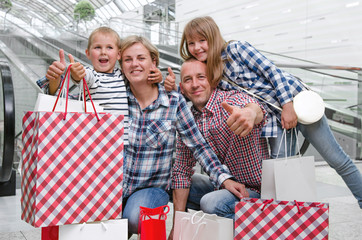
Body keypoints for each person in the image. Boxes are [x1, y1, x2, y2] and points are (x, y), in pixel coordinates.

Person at [166, 16, 362, 208]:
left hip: (295, 104)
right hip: (275, 119)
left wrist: (287, 105)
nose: (197, 47)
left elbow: (272, 71)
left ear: (214, 37)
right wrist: (172, 89)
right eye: (191, 43)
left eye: (202, 40)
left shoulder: (236, 49)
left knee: (337, 159)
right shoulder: (212, 70)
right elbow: (198, 94)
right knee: (279, 174)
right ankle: (284, 220)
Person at [118, 35, 246, 236]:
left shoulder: (173, 102)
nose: (134, 64)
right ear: (121, 65)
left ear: (154, 62)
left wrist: (224, 179)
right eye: (128, 59)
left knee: (133, 219)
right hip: (112, 186)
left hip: (150, 188)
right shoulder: (115, 98)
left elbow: (198, 146)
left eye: (141, 58)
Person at [170, 58, 268, 230]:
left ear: (212, 80)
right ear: (182, 88)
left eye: (201, 77)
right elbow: (182, 171)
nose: (194, 84)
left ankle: (266, 228)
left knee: (211, 203)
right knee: (168, 181)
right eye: (188, 79)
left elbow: (255, 109)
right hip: (223, 184)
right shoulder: (188, 119)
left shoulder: (230, 101)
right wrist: (177, 228)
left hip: (257, 190)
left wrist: (251, 113)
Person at [37, 26, 163, 145]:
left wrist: (158, 76)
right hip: (94, 142)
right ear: (88, 53)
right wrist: (77, 72)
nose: (103, 52)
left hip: (120, 143)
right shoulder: (93, 75)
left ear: (118, 54)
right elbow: (84, 75)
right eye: (97, 47)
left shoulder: (122, 76)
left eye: (109, 47)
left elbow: (137, 77)